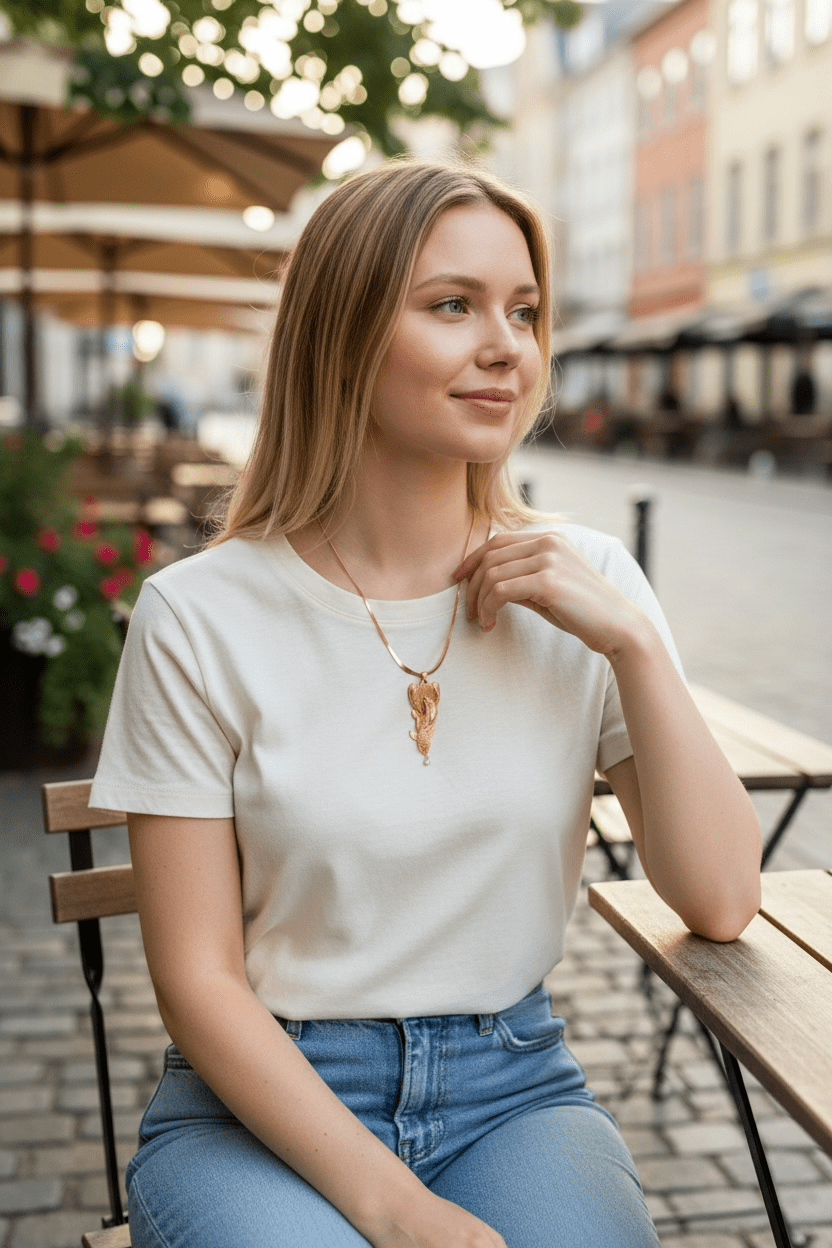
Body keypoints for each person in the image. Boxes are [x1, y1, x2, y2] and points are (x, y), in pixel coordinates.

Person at [90, 160, 762, 1248]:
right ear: (343, 334)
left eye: (524, 312)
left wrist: (634, 645)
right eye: (453, 306)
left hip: (512, 1092)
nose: (507, 345)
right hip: (260, 1106)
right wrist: (396, 1211)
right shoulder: (198, 614)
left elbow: (724, 898)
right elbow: (198, 980)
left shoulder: (585, 584)